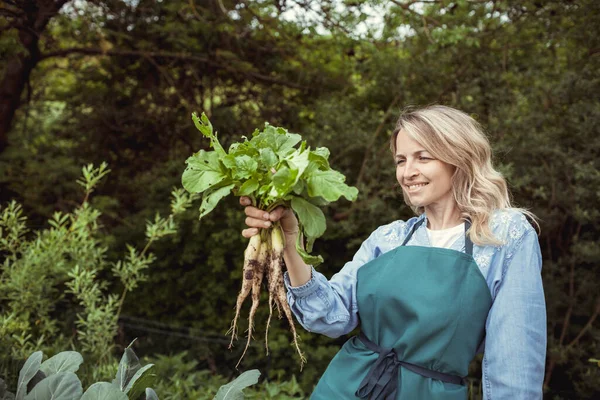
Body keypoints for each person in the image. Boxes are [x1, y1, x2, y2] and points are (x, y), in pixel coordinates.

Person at [240, 105, 546, 399]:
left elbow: (514, 362)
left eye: (422, 157)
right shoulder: (388, 238)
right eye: (401, 161)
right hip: (346, 388)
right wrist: (292, 242)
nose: (407, 172)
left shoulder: (504, 236)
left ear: (459, 157)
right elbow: (329, 316)